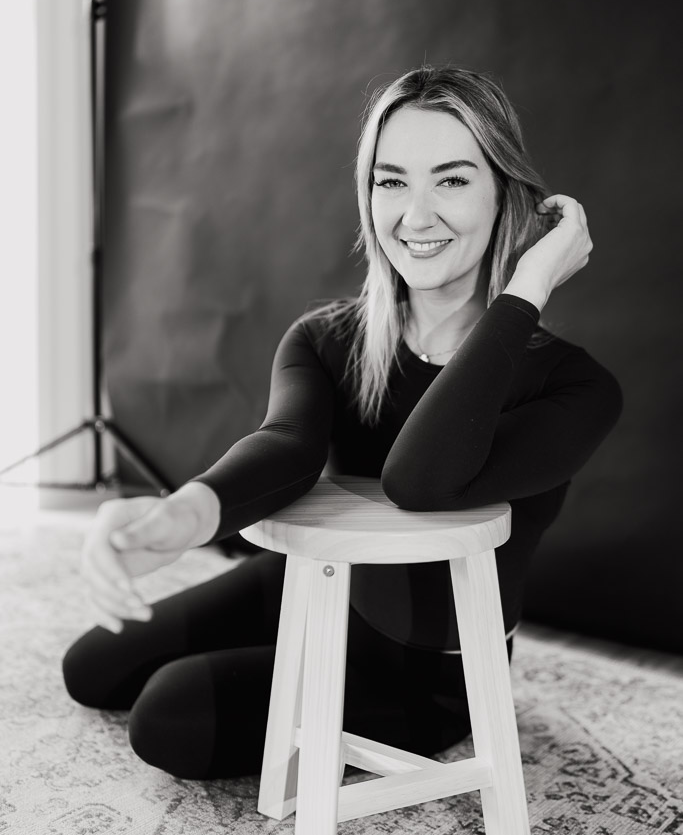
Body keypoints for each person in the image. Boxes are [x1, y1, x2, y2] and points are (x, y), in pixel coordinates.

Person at [62, 64, 623, 780]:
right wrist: (170, 523)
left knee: (168, 715)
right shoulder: (327, 337)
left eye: (450, 179)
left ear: (503, 193)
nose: (414, 217)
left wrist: (526, 288)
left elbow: (419, 478)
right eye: (391, 181)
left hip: (427, 670)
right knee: (93, 665)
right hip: (317, 587)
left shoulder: (575, 386)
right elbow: (286, 448)